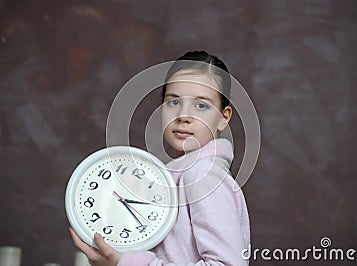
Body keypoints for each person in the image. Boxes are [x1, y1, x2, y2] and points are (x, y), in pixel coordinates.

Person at [69, 51, 250, 266]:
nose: (184, 116)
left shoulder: (203, 175)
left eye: (201, 105)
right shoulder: (172, 176)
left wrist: (127, 264)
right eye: (173, 102)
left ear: (223, 117)